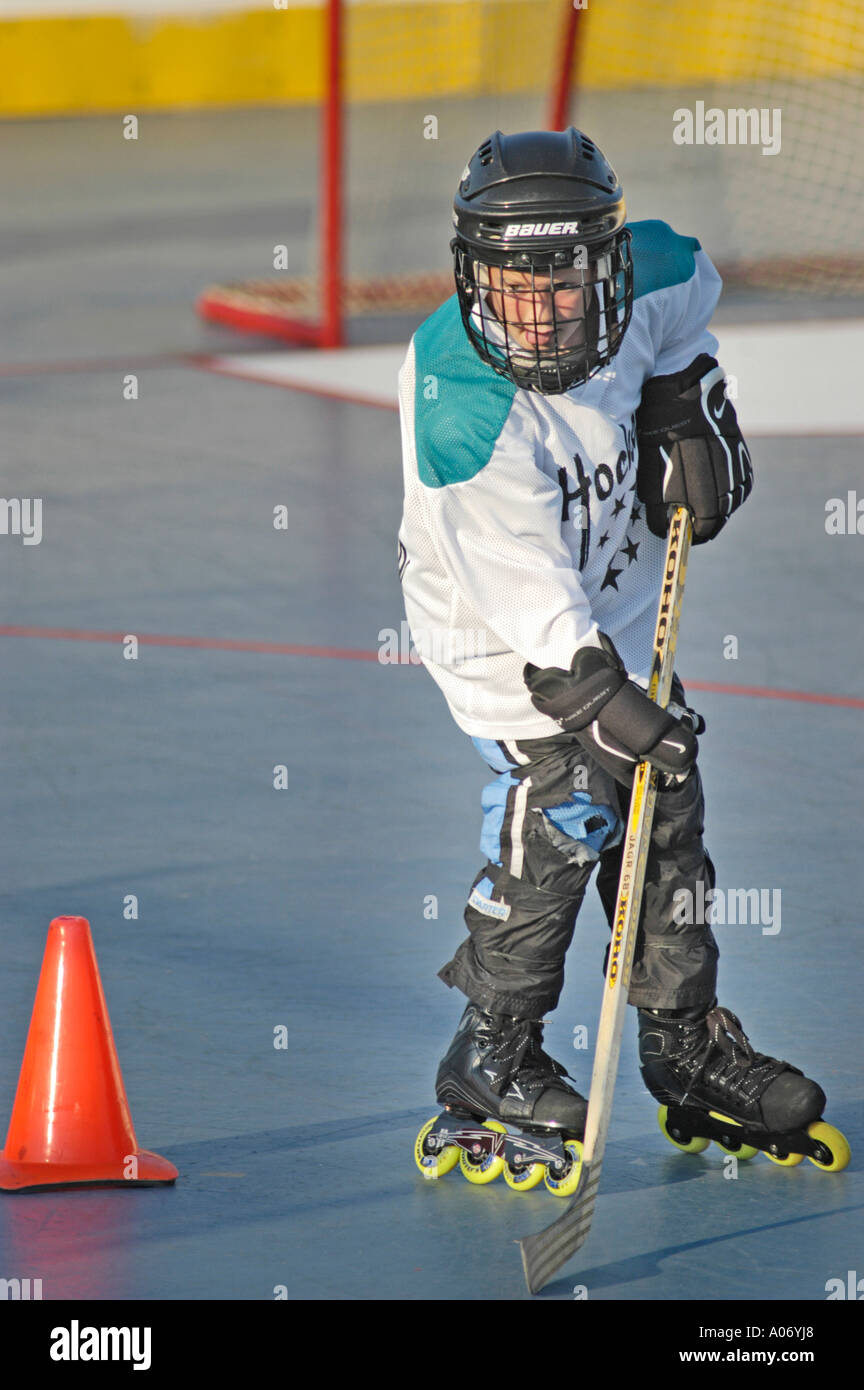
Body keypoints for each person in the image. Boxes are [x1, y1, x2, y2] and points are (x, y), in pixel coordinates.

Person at [398, 128, 842, 1180]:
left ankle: (684, 1047)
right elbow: (546, 632)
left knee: (668, 818)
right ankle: (490, 1055)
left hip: (627, 609)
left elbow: (698, 284)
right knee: (570, 811)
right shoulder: (464, 410)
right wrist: (617, 708)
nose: (540, 312)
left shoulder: (654, 276)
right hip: (507, 640)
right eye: (512, 287)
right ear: (475, 277)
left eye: (562, 283)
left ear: (604, 265)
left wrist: (686, 394)